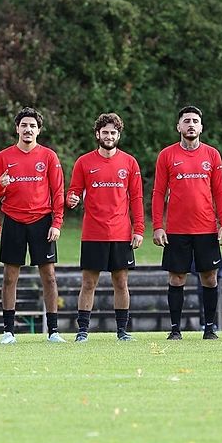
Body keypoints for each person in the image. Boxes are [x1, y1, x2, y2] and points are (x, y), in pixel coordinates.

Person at [151, 105, 222, 340]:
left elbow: (220, 191)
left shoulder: (212, 155)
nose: (191, 125)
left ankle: (209, 328)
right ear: (179, 126)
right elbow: (158, 192)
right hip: (176, 229)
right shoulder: (167, 155)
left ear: (201, 127)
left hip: (206, 228)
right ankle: (175, 329)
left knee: (210, 277)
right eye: (187, 121)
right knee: (176, 278)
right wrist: (158, 225)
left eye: (195, 121)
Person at [66, 112, 145, 341]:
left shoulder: (129, 162)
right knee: (88, 282)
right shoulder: (84, 162)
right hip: (93, 232)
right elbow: (74, 191)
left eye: (113, 132)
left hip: (121, 233)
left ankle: (122, 331)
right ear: (97, 134)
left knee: (121, 282)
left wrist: (138, 229)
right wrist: (71, 199)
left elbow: (137, 198)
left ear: (118, 135)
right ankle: (82, 331)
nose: (109, 136)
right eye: (105, 132)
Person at [0, 107, 66, 343]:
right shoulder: (4, 157)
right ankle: (8, 332)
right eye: (24, 125)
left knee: (49, 277)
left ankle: (53, 331)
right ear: (17, 128)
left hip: (42, 222)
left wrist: (56, 223)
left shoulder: (48, 156)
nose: (28, 129)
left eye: (32, 126)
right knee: (9, 277)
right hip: (13, 220)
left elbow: (58, 192)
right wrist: (2, 186)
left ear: (39, 130)